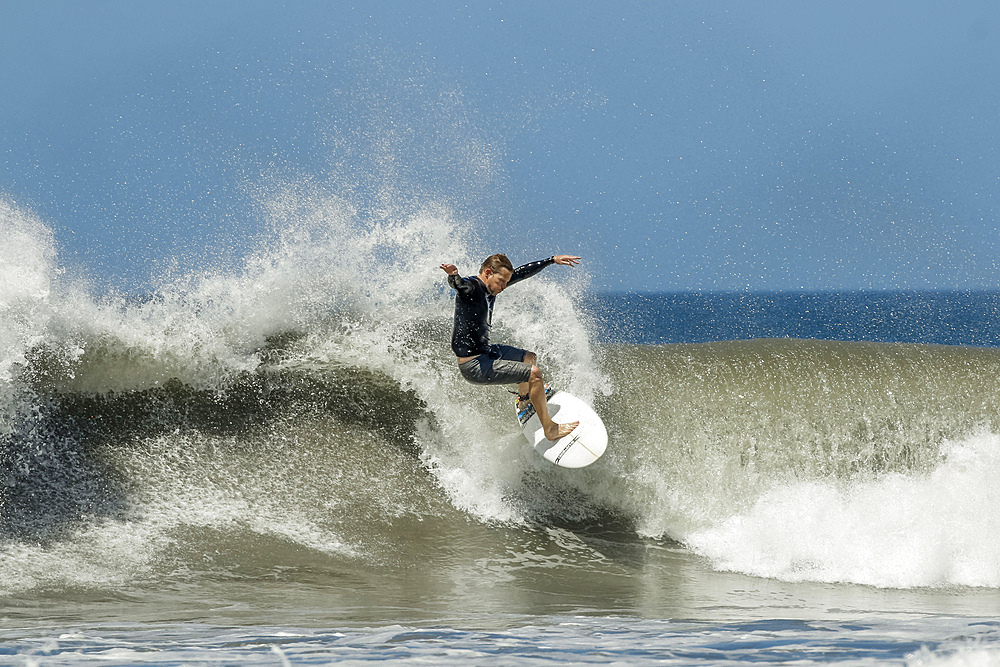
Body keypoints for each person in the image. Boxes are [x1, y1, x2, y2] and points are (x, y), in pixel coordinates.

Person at [439, 253, 582, 441]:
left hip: (486, 352)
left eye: (506, 282)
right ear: (488, 272)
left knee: (529, 357)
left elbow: (522, 273)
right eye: (501, 282)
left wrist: (551, 260)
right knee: (533, 373)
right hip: (473, 365)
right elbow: (460, 285)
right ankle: (550, 429)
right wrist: (453, 275)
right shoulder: (472, 289)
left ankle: (524, 402)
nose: (504, 287)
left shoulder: (492, 287)